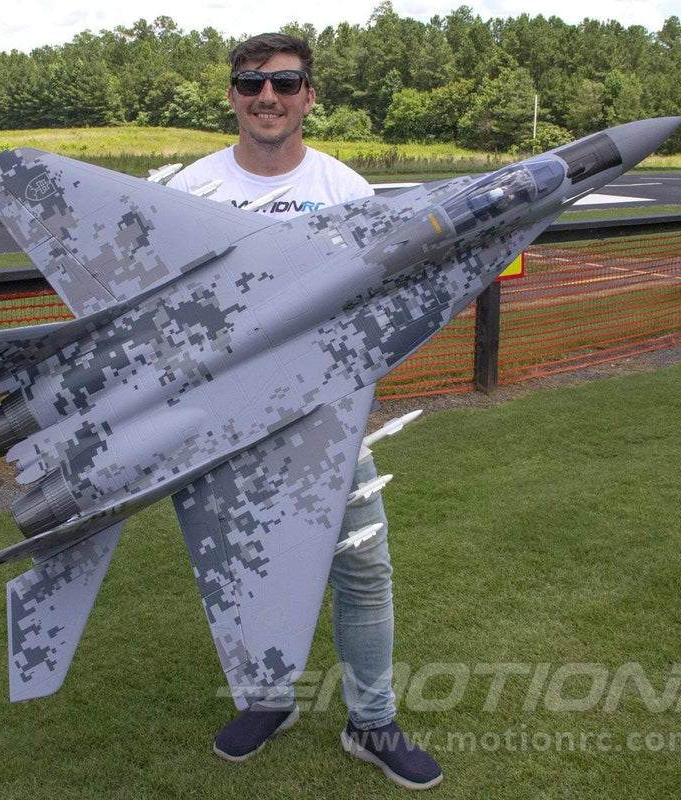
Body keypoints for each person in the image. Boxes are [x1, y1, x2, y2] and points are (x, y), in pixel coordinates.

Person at [167, 33, 443, 792]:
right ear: (232, 94)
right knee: (246, 564)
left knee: (362, 569)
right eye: (251, 82)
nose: (268, 97)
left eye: (285, 83)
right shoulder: (191, 190)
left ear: (309, 97)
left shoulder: (345, 188)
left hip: (327, 418)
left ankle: (372, 721)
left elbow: (380, 303)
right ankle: (268, 700)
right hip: (229, 426)